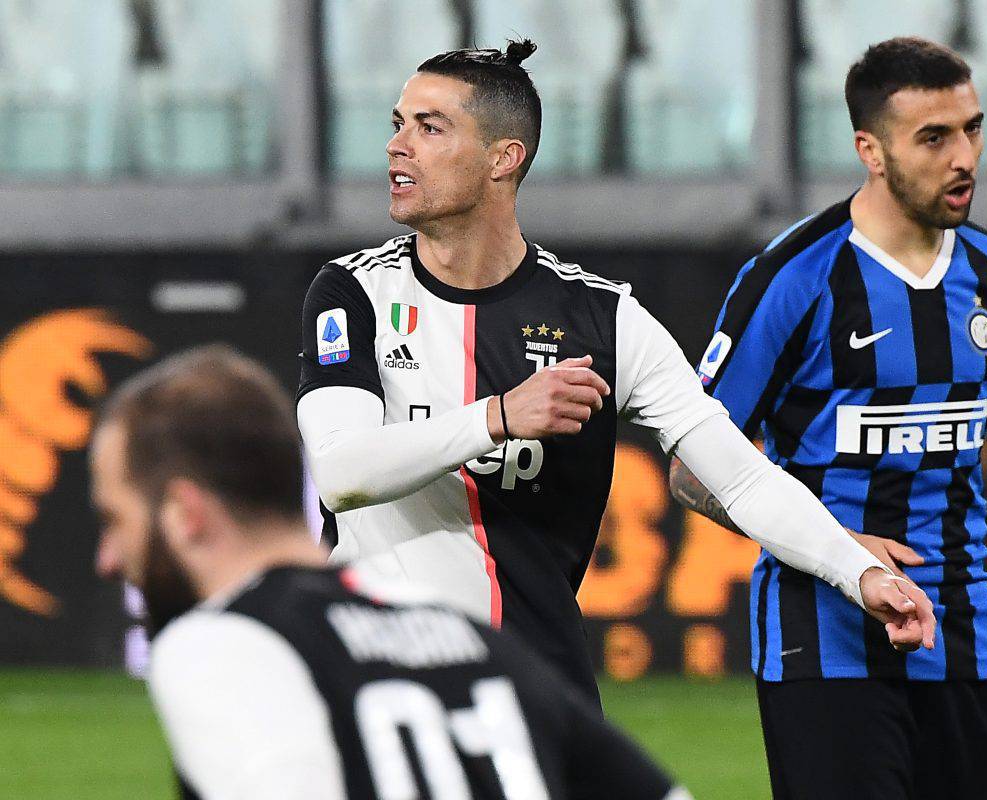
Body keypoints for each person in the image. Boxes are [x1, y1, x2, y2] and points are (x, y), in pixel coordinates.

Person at [296, 40, 935, 706]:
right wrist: (501, 416)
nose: (399, 145)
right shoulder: (353, 294)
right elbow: (342, 474)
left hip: (536, 688)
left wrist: (858, 572)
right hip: (376, 687)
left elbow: (740, 476)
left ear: (502, 159)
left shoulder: (603, 319)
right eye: (398, 124)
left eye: (429, 128)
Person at [669, 37, 987, 799]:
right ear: (869, 150)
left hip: (966, 638)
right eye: (934, 138)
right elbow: (692, 467)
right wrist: (834, 543)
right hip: (826, 646)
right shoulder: (793, 278)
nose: (964, 156)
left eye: (973, 129)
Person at [90, 345, 696, 800]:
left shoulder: (219, 643)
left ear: (185, 515)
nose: (108, 558)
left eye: (116, 518)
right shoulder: (465, 637)